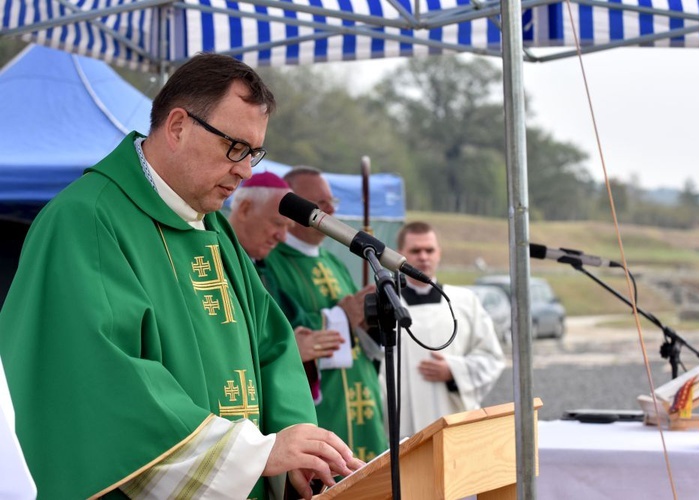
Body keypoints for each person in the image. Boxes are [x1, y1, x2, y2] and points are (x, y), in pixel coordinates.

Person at [0, 53, 363, 500]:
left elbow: (272, 342)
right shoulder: (86, 219)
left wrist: (297, 440)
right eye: (235, 148)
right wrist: (253, 455)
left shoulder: (212, 225)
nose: (245, 170)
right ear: (177, 126)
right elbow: (102, 378)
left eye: (253, 152)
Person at [263, 166, 388, 462]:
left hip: (360, 391)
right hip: (322, 402)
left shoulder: (335, 261)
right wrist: (342, 315)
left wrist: (366, 317)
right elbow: (277, 330)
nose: (331, 211)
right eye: (320, 204)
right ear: (294, 207)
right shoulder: (271, 262)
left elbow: (354, 325)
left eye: (333, 202)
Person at [384, 221, 505, 439]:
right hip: (401, 424)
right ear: (400, 254)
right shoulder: (387, 305)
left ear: (439, 253)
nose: (423, 257)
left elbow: (492, 359)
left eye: (429, 250)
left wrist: (453, 371)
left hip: (454, 420)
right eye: (415, 250)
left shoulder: (465, 301)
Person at [228, 172, 345, 393]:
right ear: (244, 209)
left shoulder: (261, 271)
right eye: (277, 223)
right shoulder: (217, 261)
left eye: (288, 227)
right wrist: (289, 349)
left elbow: (290, 324)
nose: (282, 237)